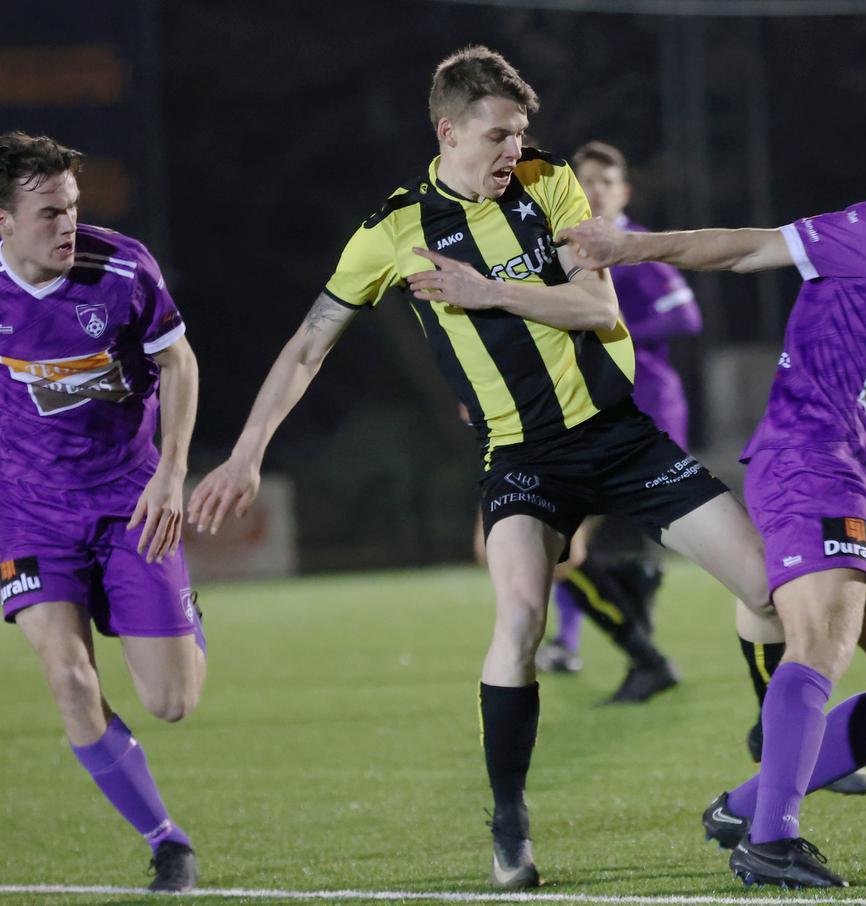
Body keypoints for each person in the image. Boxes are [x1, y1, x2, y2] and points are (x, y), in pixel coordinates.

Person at [186, 46, 774, 890]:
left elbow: (596, 305)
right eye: (499, 135)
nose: (514, 149)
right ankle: (509, 819)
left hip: (620, 437)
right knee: (521, 613)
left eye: (521, 133)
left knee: (762, 586)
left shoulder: (551, 183)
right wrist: (246, 454)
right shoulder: (393, 231)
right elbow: (310, 343)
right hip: (522, 457)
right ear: (448, 130)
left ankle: (771, 759)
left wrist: (487, 291)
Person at [561, 121, 866, 888]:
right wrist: (629, 247)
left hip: (857, 478)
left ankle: (745, 806)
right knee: (820, 641)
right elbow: (743, 246)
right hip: (809, 464)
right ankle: (771, 841)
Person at [0, 132, 203, 892]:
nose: (68, 227)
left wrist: (175, 474)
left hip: (129, 497)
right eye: (50, 212)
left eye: (74, 208)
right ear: (3, 222)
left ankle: (182, 610)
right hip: (26, 511)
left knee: (171, 702)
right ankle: (166, 841)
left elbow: (178, 361)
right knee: (69, 677)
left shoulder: (121, 268)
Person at [532, 140, 702, 704]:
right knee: (559, 539)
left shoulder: (630, 247)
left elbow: (686, 316)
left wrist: (613, 327)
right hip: (589, 410)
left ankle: (628, 643)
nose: (597, 190)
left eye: (607, 181)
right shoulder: (561, 245)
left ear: (623, 192)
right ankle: (633, 608)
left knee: (555, 539)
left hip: (642, 406)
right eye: (587, 181)